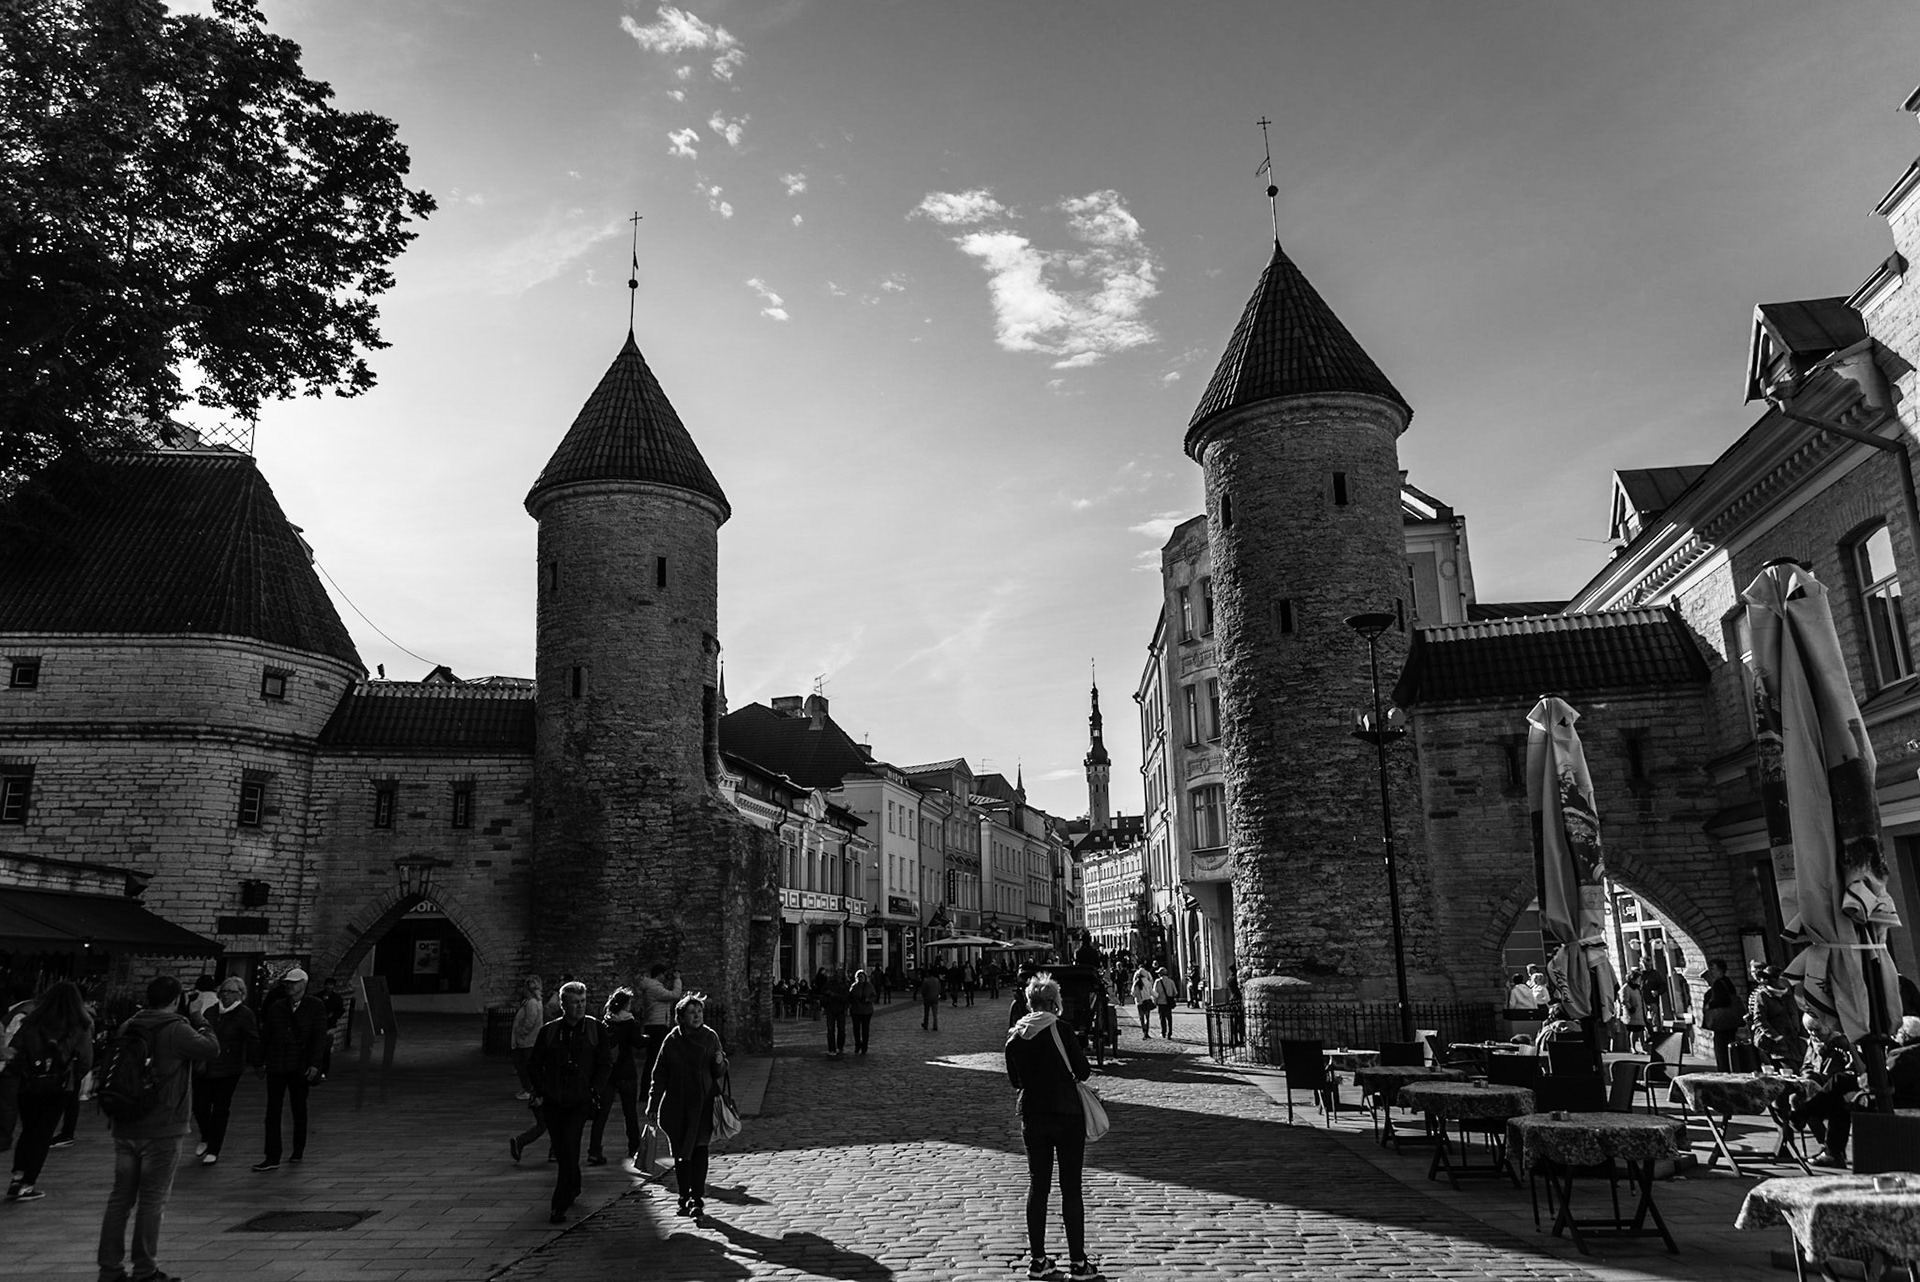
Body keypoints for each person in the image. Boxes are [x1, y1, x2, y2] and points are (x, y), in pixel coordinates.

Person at [96, 973, 219, 1282]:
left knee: (120, 1198)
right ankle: (145, 1269)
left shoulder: (130, 1024)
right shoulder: (176, 1029)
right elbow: (211, 1048)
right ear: (177, 999)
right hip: (162, 1125)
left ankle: (110, 1269)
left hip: (125, 1123)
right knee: (152, 1199)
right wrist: (199, 1018)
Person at [1004, 973, 1095, 1281]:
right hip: (1067, 1115)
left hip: (1033, 1116)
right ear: (1054, 1003)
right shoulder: (1062, 1029)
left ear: (1029, 1004)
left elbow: (1015, 1081)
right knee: (1071, 1188)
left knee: (1037, 1187)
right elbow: (1082, 1072)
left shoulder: (1015, 1036)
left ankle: (1038, 1260)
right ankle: (1079, 1264)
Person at [526, 980, 610, 1224]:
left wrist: (594, 1089)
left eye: (583, 1001)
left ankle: (558, 1205)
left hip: (579, 1101)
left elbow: (605, 1063)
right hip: (554, 1101)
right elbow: (534, 1064)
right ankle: (574, 1184)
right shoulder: (550, 1032)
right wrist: (543, 1089)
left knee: (571, 1145)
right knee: (563, 1151)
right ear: (563, 1004)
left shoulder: (595, 1029)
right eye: (575, 1002)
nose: (580, 1006)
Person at [4, 981, 92, 1201]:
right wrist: (74, 1077)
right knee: (43, 1134)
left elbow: (15, 1050)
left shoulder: (31, 1022)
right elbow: (85, 1059)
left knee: (28, 1130)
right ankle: (28, 1183)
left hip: (29, 1084)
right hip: (60, 1085)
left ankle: (18, 1175)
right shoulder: (80, 1025)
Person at [646, 991, 728, 1222]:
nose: (697, 1016)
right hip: (677, 1105)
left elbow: (718, 1071)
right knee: (682, 1153)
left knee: (700, 1149)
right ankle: (684, 1196)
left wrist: (721, 1062)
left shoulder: (709, 1037)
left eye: (699, 1011)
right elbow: (659, 1073)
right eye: (691, 1012)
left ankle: (697, 1198)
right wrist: (653, 1103)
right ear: (680, 1017)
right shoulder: (672, 1040)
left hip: (703, 1103)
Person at [252, 966, 328, 1171]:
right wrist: (259, 1061)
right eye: (287, 983)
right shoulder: (277, 1007)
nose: (289, 987)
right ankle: (272, 1155)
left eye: (293, 983)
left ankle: (298, 1148)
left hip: (299, 1065)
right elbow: (266, 1035)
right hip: (277, 1063)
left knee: (298, 1107)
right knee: (273, 1110)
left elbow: (319, 1037)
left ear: (303, 984)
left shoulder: (315, 1006)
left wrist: (314, 1064)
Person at [193, 975, 259, 1166]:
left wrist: (258, 1063)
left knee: (220, 1108)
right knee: (200, 1106)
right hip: (208, 1065)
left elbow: (252, 1039)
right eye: (224, 991)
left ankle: (214, 1148)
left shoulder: (245, 1014)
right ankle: (206, 1135)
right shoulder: (212, 1012)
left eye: (232, 992)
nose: (227, 996)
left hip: (230, 1068)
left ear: (241, 995)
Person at [1788, 1010, 1857, 1168]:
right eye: (1809, 1031)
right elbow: (1806, 1064)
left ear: (1828, 1027)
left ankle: (1828, 1148)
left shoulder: (1842, 1042)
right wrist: (1808, 1075)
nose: (1813, 1034)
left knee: (1816, 1100)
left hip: (1833, 1086)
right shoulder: (1812, 1042)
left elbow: (1850, 1069)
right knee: (1798, 1098)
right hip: (1819, 1084)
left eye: (1817, 1030)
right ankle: (1827, 1148)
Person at [588, 987, 642, 1167]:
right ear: (626, 1005)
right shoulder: (630, 1023)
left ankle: (594, 1151)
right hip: (626, 1072)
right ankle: (634, 1148)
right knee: (630, 1113)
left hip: (609, 1073)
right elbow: (638, 1043)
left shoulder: (605, 1023)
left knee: (602, 1114)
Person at [1748, 966, 1805, 1070]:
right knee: (1789, 1070)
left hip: (1794, 1040)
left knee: (1800, 1068)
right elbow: (1759, 1019)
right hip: (1777, 1043)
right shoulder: (1763, 996)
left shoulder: (1788, 994)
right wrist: (1776, 1037)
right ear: (1772, 980)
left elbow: (1797, 1014)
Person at [637, 963, 684, 1088]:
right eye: (664, 975)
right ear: (659, 975)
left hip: (655, 1025)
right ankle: (647, 1088)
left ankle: (650, 1088)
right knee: (654, 1059)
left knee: (654, 1058)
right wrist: (677, 979)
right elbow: (674, 995)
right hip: (657, 1027)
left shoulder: (652, 986)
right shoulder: (654, 988)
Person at [1700, 959, 1741, 1072]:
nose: (1711, 972)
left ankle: (1725, 1071)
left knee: (1721, 1050)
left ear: (1720, 970)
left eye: (1713, 969)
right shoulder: (1727, 981)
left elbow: (1723, 1000)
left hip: (1722, 1022)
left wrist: (1710, 1005)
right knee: (1729, 1047)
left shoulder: (1718, 983)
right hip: (1730, 1021)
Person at [511, 976, 545, 1101]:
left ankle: (529, 1088)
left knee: (524, 1065)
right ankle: (527, 1087)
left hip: (528, 1040)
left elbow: (530, 1021)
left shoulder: (532, 1003)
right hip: (529, 1039)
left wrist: (521, 1034)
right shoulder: (533, 1001)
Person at [1887, 1014, 1920, 1109]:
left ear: (1905, 1036)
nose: (1893, 1037)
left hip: (1902, 1109)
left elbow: (1888, 1083)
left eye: (1898, 1033)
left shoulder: (1902, 1058)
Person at [819, 969, 849, 1059]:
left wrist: (833, 995)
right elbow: (823, 993)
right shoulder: (829, 984)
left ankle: (840, 1046)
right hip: (831, 1009)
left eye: (839, 974)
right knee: (831, 1030)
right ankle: (832, 1048)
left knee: (841, 1030)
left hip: (840, 1010)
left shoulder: (844, 985)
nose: (837, 976)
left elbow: (845, 998)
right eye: (836, 974)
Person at [849, 969, 877, 1056]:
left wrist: (868, 1000)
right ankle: (858, 1045)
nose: (860, 978)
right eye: (859, 977)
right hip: (856, 1011)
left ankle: (864, 1046)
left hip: (866, 1011)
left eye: (862, 977)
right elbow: (849, 997)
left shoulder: (869, 986)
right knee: (856, 1029)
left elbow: (874, 996)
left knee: (865, 1029)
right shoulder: (854, 987)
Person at [1619, 973, 1646, 1052]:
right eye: (1638, 978)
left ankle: (1642, 1047)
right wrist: (1630, 1008)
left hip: (1640, 1012)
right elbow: (1624, 1000)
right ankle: (1633, 1047)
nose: (1639, 980)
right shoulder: (1626, 988)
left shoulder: (1637, 988)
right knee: (1634, 1031)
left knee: (1641, 1030)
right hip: (1632, 1013)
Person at [1152, 966, 1180, 1038]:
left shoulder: (1157, 982)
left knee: (1162, 1018)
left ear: (1160, 974)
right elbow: (1175, 992)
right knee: (1169, 1018)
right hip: (1168, 1003)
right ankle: (1169, 1033)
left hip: (1161, 1002)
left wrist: (1155, 1002)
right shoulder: (1171, 981)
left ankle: (1163, 1032)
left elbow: (1155, 993)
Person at [1129, 964, 1154, 1039]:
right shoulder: (1148, 981)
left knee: (1141, 1017)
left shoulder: (1135, 983)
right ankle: (1147, 1032)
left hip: (1139, 1002)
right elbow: (1151, 989)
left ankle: (1144, 1030)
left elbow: (1133, 993)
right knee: (1147, 1017)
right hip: (1147, 1000)